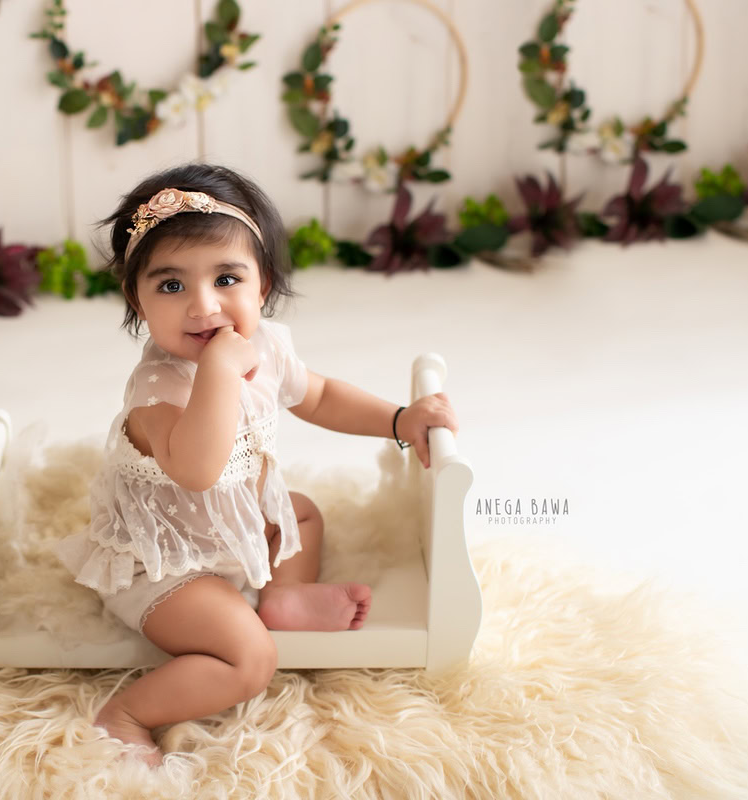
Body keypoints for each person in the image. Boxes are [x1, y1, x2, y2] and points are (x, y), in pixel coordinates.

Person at [52, 162, 459, 768]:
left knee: (303, 513)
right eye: (171, 286)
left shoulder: (267, 345)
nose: (203, 306)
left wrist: (399, 420)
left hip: (235, 527)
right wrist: (218, 372)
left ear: (261, 284)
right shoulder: (157, 390)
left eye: (226, 278)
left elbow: (321, 396)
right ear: (137, 298)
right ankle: (126, 716)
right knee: (251, 660)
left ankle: (282, 596)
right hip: (167, 565)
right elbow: (198, 470)